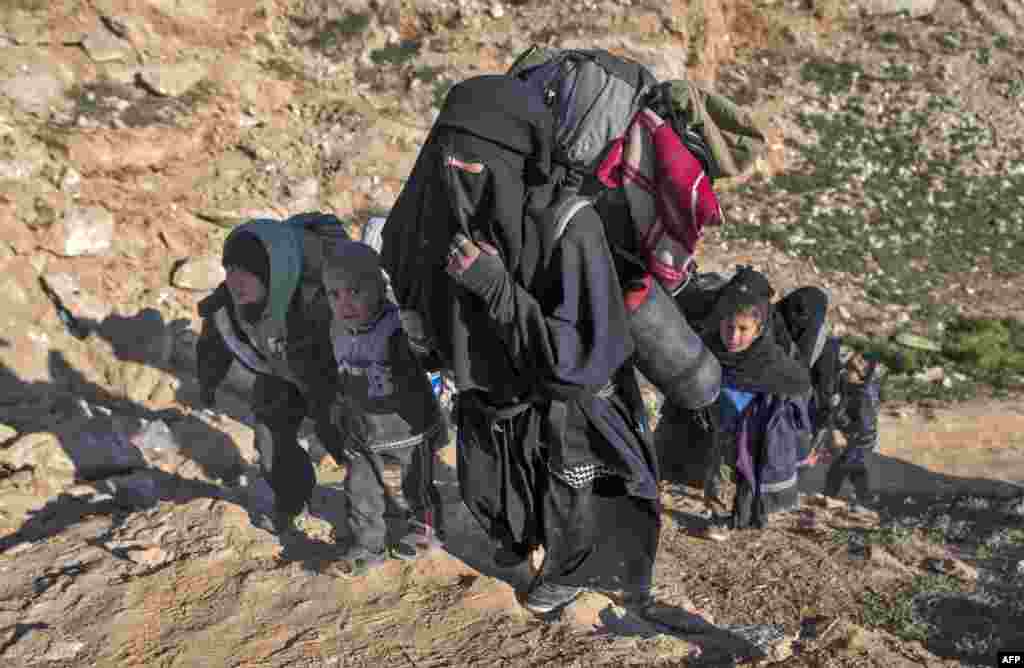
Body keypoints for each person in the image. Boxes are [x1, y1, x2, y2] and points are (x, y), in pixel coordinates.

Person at [383, 75, 666, 618]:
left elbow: (580, 355)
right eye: (449, 159)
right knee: (493, 497)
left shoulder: (569, 227)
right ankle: (524, 543)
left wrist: (495, 288)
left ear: (514, 159)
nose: (457, 175)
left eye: (475, 165)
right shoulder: (434, 209)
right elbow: (408, 269)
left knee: (574, 496)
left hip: (565, 394)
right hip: (486, 390)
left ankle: (571, 572)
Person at [195, 214, 347, 536]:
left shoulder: (324, 295)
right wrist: (207, 383)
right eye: (230, 271)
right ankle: (292, 502)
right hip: (280, 373)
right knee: (270, 434)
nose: (235, 281)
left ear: (269, 273)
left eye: (246, 273)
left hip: (332, 376)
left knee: (345, 434)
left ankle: (380, 510)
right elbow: (213, 341)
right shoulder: (229, 303)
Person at [320, 240, 445, 576]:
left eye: (355, 292)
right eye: (334, 295)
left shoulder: (398, 328)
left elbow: (428, 366)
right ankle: (367, 547)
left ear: (378, 289)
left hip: (405, 430)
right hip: (361, 430)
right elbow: (341, 374)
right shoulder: (337, 330)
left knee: (413, 484)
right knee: (360, 491)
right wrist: (339, 408)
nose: (344, 303)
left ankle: (425, 529)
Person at [658, 266, 813, 536]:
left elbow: (798, 381)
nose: (734, 336)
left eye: (743, 329)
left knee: (750, 473)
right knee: (722, 471)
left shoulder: (769, 359)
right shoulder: (707, 345)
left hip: (755, 426)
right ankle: (719, 518)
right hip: (723, 426)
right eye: (729, 326)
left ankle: (744, 516)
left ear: (758, 329)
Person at [822, 349, 884, 513]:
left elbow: (863, 425)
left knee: (842, 468)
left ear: (863, 375)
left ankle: (832, 496)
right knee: (853, 469)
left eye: (851, 371)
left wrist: (841, 425)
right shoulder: (852, 385)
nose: (846, 373)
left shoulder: (864, 397)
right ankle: (862, 498)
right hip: (855, 439)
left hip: (860, 440)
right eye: (847, 368)